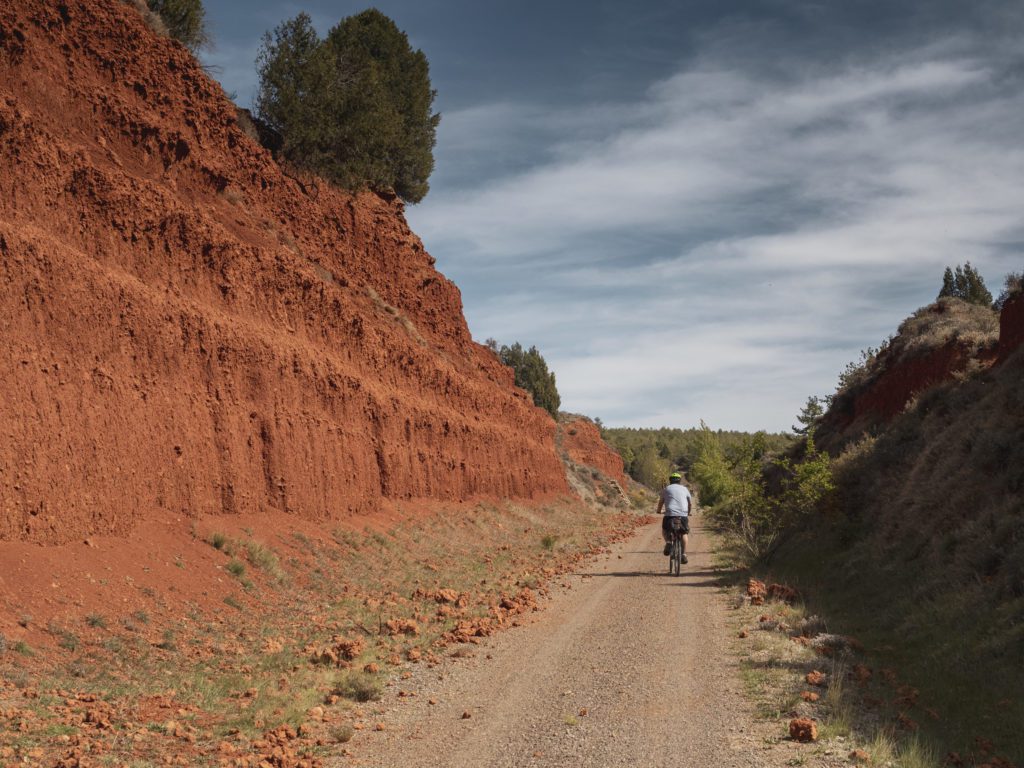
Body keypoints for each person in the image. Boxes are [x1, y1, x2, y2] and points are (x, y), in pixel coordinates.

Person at [656, 471, 691, 563]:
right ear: (679, 481)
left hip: (670, 514)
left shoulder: (666, 489)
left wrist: (659, 511)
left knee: (665, 530)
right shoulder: (685, 489)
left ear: (670, 481)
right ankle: (683, 554)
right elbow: (689, 503)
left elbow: (661, 502)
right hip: (683, 514)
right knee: (684, 533)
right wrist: (688, 512)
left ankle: (668, 542)